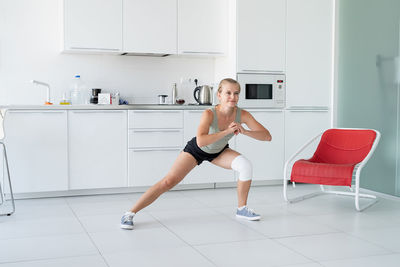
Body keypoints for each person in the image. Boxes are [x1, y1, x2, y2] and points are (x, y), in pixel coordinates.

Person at [121, 78, 272, 230]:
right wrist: (227, 131)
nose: (233, 97)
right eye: (228, 93)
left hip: (219, 151)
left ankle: (242, 209)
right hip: (196, 150)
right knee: (168, 181)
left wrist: (245, 131)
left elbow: (267, 136)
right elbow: (201, 141)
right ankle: (130, 213)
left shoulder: (243, 114)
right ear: (219, 95)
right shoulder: (209, 114)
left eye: (236, 93)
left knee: (245, 165)